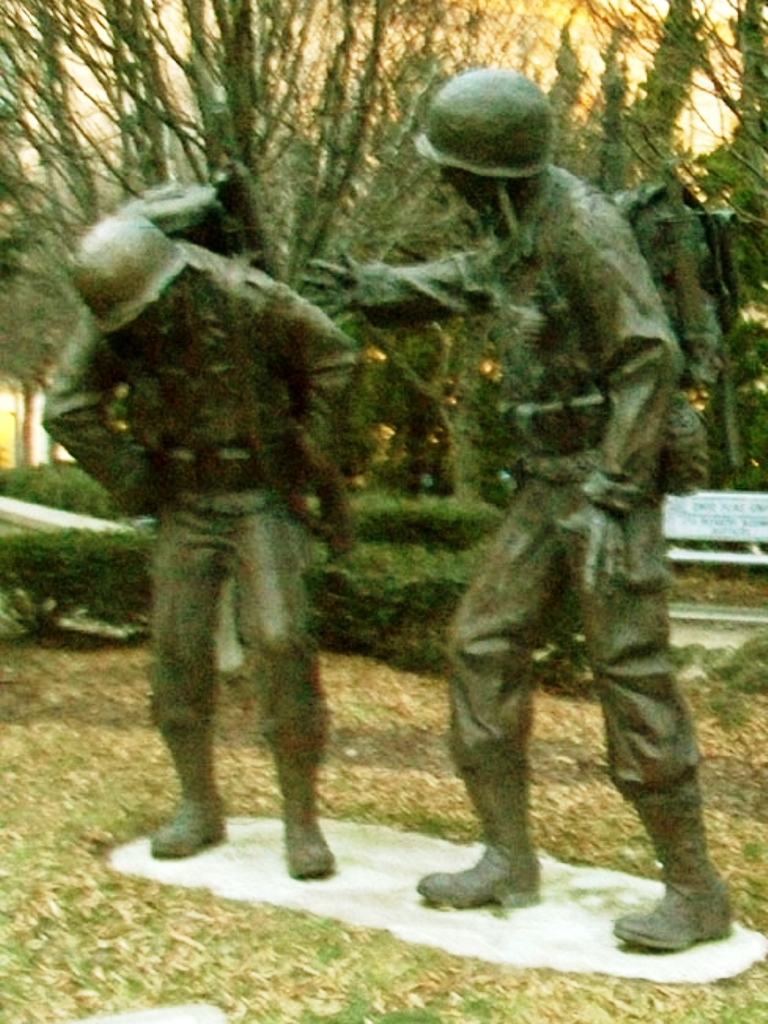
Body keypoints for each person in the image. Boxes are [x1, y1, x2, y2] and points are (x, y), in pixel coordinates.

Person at [313, 68, 731, 950]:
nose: (441, 181)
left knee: (630, 671)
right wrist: (379, 286)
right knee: (482, 644)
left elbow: (646, 360)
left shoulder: (580, 227)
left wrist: (617, 499)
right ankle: (508, 857)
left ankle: (695, 893)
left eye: (450, 167)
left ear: (490, 169)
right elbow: (479, 278)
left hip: (606, 484)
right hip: (551, 483)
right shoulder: (521, 223)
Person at [44, 209, 357, 880]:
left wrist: (312, 449)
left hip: (259, 495)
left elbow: (334, 354)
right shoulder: (119, 312)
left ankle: (301, 822)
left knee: (279, 638)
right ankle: (198, 805)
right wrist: (135, 481)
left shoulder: (250, 299)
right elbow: (67, 406)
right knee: (177, 648)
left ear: (173, 282)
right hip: (184, 500)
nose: (138, 333)